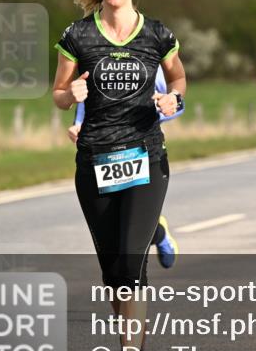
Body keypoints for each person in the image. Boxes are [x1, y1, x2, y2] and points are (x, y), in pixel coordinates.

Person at [52, 0, 185, 351]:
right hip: (95, 162)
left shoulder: (158, 34)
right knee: (116, 273)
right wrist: (72, 94)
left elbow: (180, 80)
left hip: (146, 156)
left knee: (128, 264)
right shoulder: (78, 36)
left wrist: (174, 101)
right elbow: (57, 94)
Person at [69, 67, 181, 270]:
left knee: (132, 233)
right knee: (118, 224)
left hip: (142, 148)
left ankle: (155, 236)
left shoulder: (148, 58)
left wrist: (158, 110)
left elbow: (176, 101)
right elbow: (85, 100)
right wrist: (78, 125)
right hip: (105, 151)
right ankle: (158, 231)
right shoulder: (94, 55)